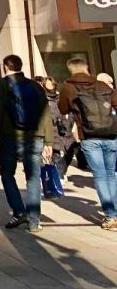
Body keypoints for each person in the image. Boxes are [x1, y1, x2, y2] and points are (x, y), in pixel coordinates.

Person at [0, 55, 53, 232]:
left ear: (5, 67)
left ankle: (18, 210)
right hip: (35, 136)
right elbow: (46, 113)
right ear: (20, 66)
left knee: (7, 173)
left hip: (10, 138)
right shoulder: (35, 86)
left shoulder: (1, 85)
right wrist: (49, 140)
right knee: (33, 177)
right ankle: (34, 220)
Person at [59, 56, 117, 229]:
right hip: (111, 135)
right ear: (87, 68)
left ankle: (110, 216)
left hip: (89, 137)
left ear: (71, 70)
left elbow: (63, 109)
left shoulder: (69, 87)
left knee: (100, 176)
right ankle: (114, 212)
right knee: (111, 175)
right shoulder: (102, 85)